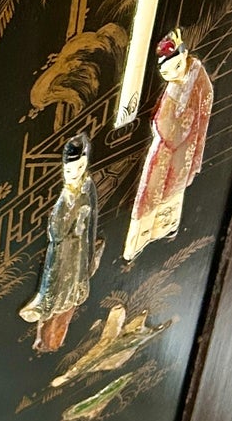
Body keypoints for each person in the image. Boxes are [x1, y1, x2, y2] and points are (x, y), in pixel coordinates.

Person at [123, 31, 213, 262]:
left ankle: (160, 230)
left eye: (177, 66)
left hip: (179, 147)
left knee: (169, 189)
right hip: (170, 146)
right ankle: (143, 237)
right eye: (166, 72)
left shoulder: (197, 81)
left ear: (185, 56)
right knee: (154, 189)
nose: (173, 75)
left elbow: (176, 127)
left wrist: (164, 123)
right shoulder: (179, 83)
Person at [21, 132, 102, 353]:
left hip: (78, 249)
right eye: (69, 170)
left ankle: (54, 338)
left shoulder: (87, 187)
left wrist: (88, 256)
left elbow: (92, 222)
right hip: (62, 251)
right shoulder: (65, 197)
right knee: (54, 289)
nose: (74, 174)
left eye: (79, 167)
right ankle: (43, 334)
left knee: (72, 292)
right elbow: (56, 231)